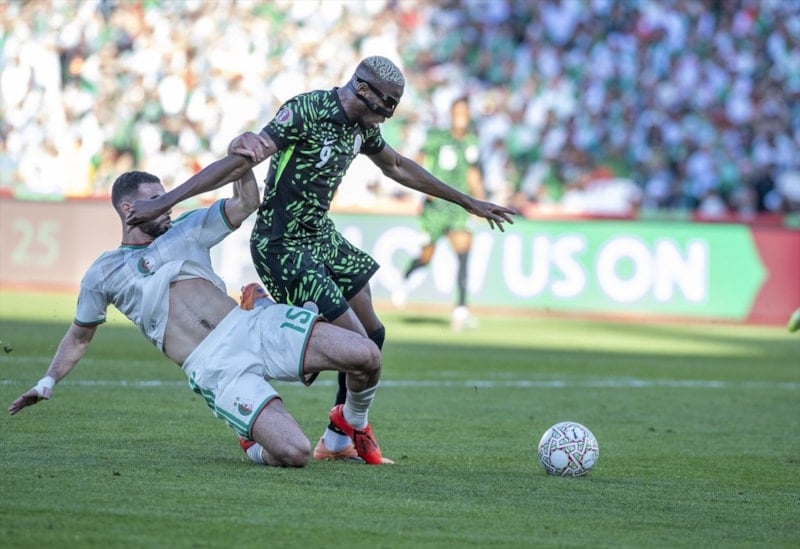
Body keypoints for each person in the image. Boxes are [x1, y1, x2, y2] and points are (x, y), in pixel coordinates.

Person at [125, 55, 516, 462]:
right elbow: (241, 160)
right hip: (283, 245)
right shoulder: (308, 110)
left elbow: (398, 166)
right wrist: (164, 202)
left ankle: (337, 440)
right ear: (362, 89)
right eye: (387, 103)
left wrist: (468, 201)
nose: (390, 113)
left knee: (374, 335)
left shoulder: (363, 127)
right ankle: (269, 318)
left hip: (321, 236)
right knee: (356, 350)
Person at [8, 144, 391, 467]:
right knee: (295, 453)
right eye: (156, 200)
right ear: (128, 210)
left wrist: (242, 158)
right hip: (214, 367)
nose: (167, 206)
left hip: (250, 327)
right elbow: (79, 338)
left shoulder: (188, 227)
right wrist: (47, 381)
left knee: (367, 355)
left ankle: (352, 422)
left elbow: (246, 202)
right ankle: (251, 438)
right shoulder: (103, 272)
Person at [394, 96, 484, 331]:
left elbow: (472, 173)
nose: (461, 117)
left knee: (463, 256)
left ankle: (461, 310)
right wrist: (421, 189)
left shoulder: (471, 142)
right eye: (458, 112)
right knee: (426, 257)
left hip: (459, 207)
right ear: (451, 115)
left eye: (465, 113)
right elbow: (419, 161)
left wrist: (480, 202)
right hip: (435, 208)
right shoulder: (437, 138)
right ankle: (405, 277)